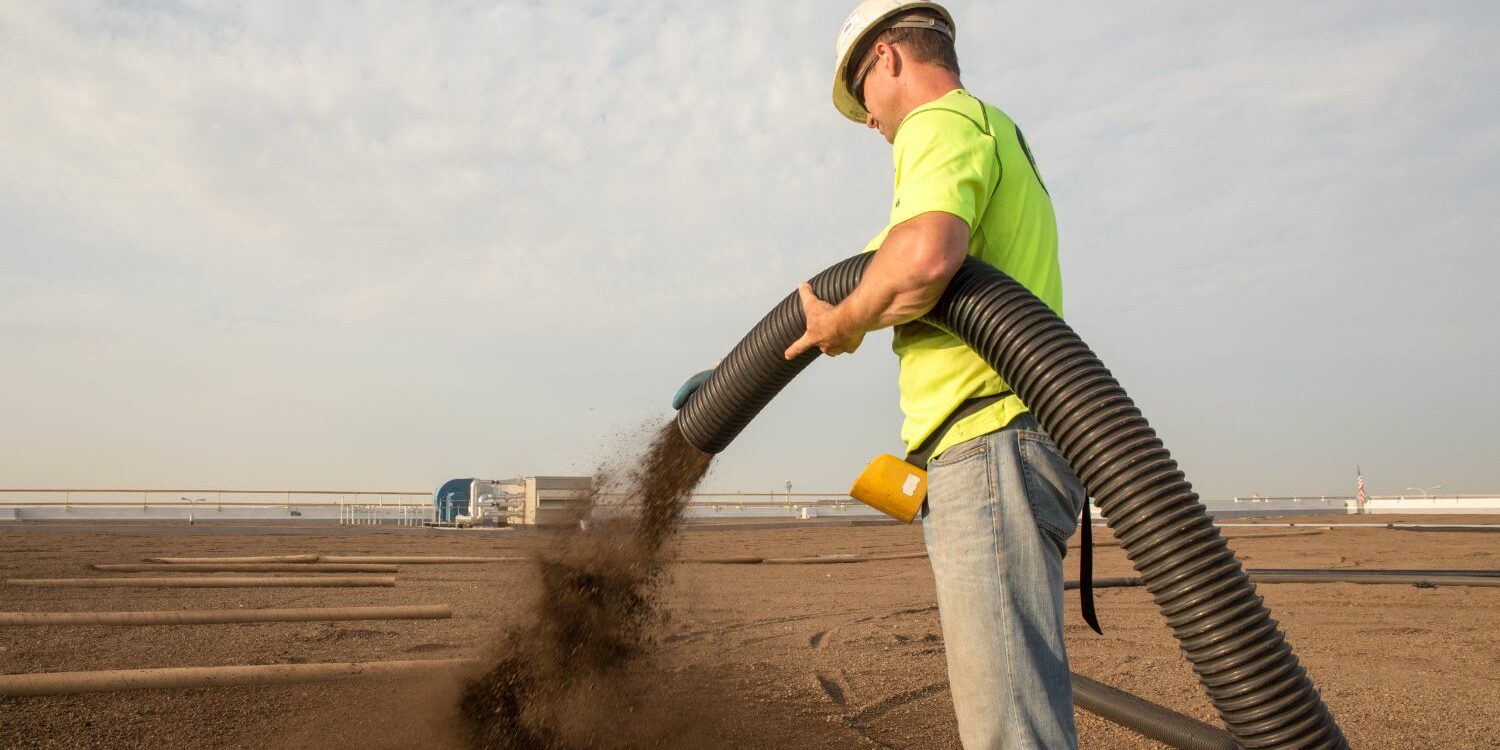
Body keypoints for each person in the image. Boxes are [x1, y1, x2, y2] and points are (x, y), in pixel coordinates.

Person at [677, 2, 1085, 747]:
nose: (866, 119)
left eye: (860, 90)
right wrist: (732, 373)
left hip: (989, 446)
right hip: (1007, 446)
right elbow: (862, 276)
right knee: (1015, 710)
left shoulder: (940, 124)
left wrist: (851, 322)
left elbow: (923, 259)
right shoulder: (987, 136)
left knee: (1009, 732)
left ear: (890, 58)